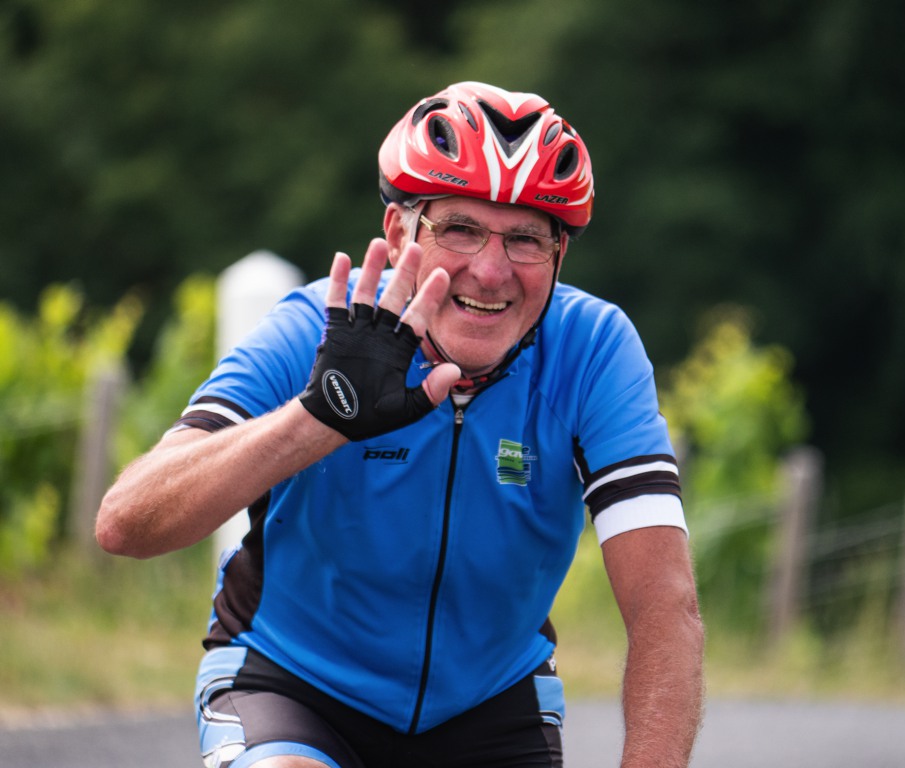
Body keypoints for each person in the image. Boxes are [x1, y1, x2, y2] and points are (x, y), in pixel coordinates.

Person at [97, 81, 704, 768]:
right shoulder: (313, 332)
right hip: (295, 685)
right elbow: (125, 522)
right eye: (460, 229)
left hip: (490, 705)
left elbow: (664, 609)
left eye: (525, 239)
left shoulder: (592, 351)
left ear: (560, 254)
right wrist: (320, 416)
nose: (491, 270)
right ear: (398, 233)